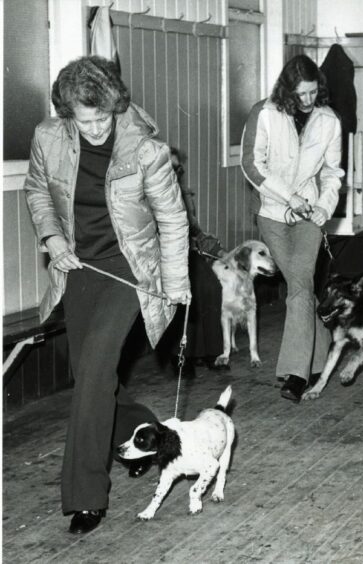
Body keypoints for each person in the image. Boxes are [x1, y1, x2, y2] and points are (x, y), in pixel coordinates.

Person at [22, 55, 191, 534]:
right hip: (79, 266)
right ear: (66, 114)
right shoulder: (48, 138)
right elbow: (37, 190)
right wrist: (53, 239)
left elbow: (173, 220)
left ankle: (86, 496)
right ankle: (142, 430)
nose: (95, 130)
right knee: (90, 376)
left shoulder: (147, 150)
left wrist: (176, 286)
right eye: (84, 120)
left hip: (131, 271)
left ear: (116, 106)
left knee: (95, 369)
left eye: (103, 119)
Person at [240, 54, 342, 402]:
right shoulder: (265, 113)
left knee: (299, 283)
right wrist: (289, 197)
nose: (308, 100)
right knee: (301, 287)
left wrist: (324, 207)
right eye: (301, 94)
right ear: (287, 90)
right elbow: (251, 165)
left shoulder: (329, 121)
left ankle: (296, 375)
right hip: (272, 214)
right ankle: (324, 349)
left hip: (310, 216)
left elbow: (332, 173)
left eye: (313, 92)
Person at [160, 147, 226, 377]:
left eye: (178, 169)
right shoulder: (150, 191)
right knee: (185, 289)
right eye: (171, 168)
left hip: (186, 249)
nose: (176, 173)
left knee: (211, 286)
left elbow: (194, 229)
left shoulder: (182, 192)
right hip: (160, 253)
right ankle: (180, 356)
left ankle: (211, 351)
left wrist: (209, 244)